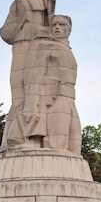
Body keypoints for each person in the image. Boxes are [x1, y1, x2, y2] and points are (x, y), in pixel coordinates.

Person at [0, 0, 55, 151]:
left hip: (23, 47)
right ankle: (24, 135)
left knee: (20, 92)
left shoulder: (20, 1)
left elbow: (7, 33)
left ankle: (23, 136)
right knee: (36, 90)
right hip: (43, 48)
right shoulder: (45, 0)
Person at [21, 14, 82, 152]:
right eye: (54, 25)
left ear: (69, 29)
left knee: (74, 146)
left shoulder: (67, 50)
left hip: (70, 98)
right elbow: (35, 76)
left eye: (62, 25)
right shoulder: (46, 46)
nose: (57, 28)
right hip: (53, 98)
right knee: (55, 145)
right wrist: (32, 102)